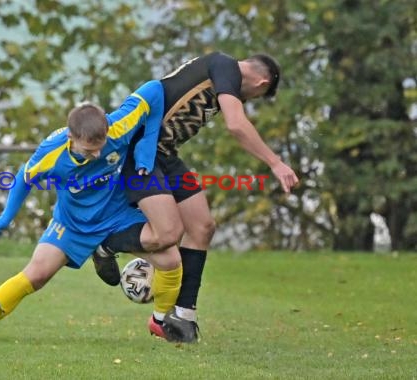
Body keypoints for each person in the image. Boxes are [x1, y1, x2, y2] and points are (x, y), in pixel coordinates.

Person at [0, 81, 193, 343]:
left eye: (101, 145)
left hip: (117, 217)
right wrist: (5, 217)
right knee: (36, 275)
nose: (97, 154)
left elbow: (154, 90)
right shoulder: (52, 153)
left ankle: (159, 321)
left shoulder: (118, 126)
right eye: (89, 149)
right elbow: (23, 178)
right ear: (71, 138)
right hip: (72, 225)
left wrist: (147, 147)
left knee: (170, 260)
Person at [92, 52, 300, 340]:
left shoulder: (218, 73)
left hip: (165, 156)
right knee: (167, 234)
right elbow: (236, 124)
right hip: (141, 154)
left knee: (202, 227)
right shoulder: (225, 65)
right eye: (257, 95)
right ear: (262, 81)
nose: (248, 99)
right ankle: (106, 243)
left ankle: (181, 317)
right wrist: (275, 162)